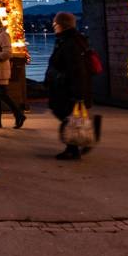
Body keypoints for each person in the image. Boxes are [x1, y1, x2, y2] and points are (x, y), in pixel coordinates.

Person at [45, 12, 98, 160]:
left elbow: (77, 69)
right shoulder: (70, 40)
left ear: (62, 25)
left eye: (55, 23)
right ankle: (74, 146)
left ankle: (74, 147)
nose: (53, 26)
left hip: (68, 88)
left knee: (66, 115)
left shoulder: (70, 43)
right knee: (67, 115)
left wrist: (77, 94)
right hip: (66, 87)